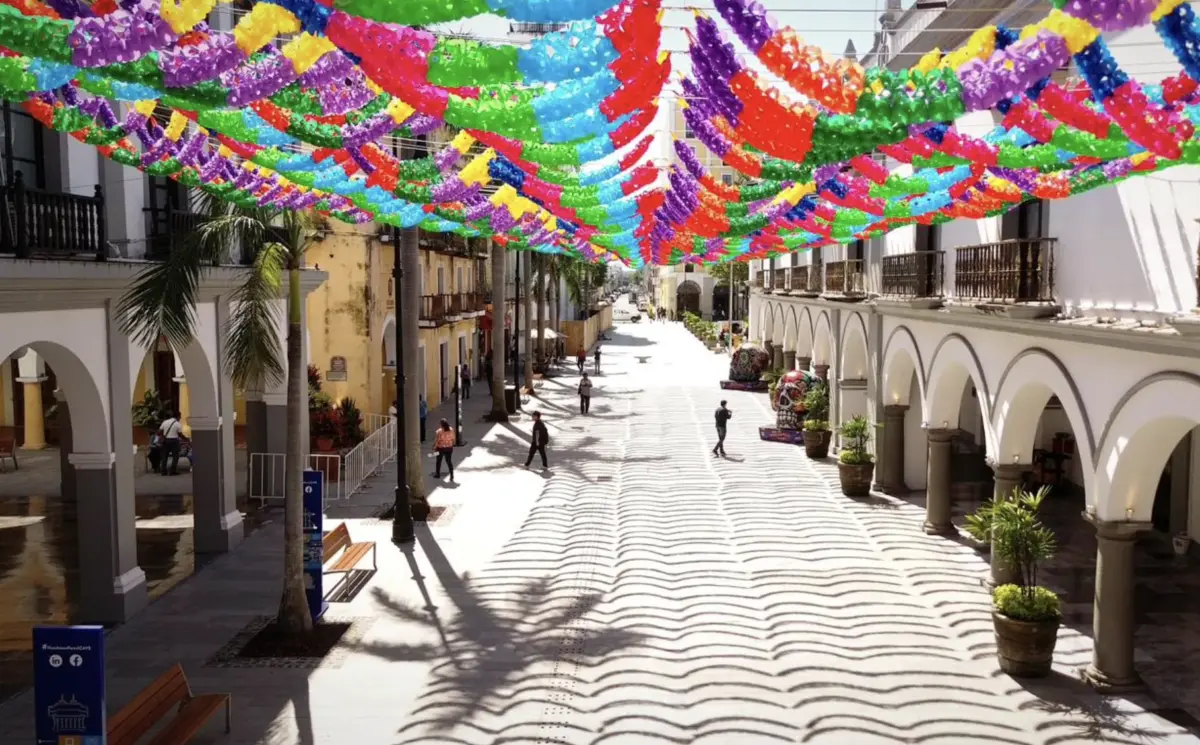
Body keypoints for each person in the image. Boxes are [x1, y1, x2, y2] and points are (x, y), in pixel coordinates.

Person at [158, 410, 183, 475]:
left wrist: (163, 436)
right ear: (178, 416)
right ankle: (172, 471)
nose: (180, 418)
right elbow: (180, 434)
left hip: (166, 440)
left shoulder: (165, 422)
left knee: (164, 456)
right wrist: (186, 438)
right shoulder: (178, 424)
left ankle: (163, 471)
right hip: (174, 441)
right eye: (180, 417)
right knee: (175, 456)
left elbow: (159, 431)